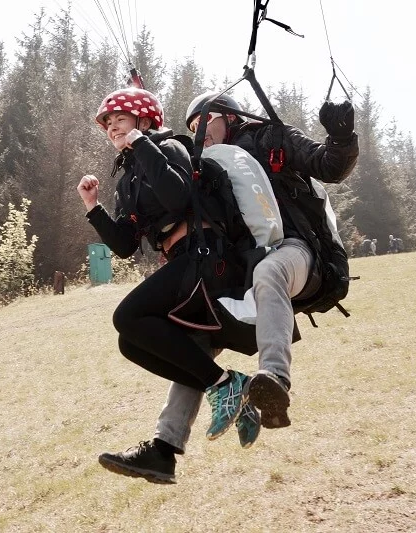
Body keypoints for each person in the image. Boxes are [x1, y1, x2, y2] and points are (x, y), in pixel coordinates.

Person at [97, 91, 358, 483]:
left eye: (203, 122)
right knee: (194, 341)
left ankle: (272, 381)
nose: (198, 134)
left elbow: (330, 164)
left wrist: (341, 137)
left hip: (293, 248)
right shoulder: (207, 163)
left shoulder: (270, 139)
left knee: (270, 272)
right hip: (238, 266)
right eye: (191, 129)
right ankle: (164, 449)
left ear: (229, 116)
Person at [77, 88, 252, 482]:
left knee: (128, 316)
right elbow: (123, 244)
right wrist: (93, 208)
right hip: (183, 268)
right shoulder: (128, 181)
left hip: (207, 258)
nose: (112, 128)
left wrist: (142, 144)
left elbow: (177, 198)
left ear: (143, 120)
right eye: (107, 123)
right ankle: (195, 419)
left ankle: (225, 383)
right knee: (133, 341)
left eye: (120, 120)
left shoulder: (170, 146)